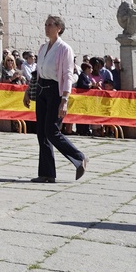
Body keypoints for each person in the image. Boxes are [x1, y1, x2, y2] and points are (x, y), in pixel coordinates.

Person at [33, 15, 87, 183]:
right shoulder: (43, 48)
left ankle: (79, 157)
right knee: (41, 133)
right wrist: (30, 91)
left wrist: (65, 98)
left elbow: (67, 74)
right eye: (45, 24)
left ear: (59, 28)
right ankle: (47, 173)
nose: (46, 27)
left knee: (52, 131)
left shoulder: (65, 49)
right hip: (42, 89)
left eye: (50, 25)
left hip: (55, 92)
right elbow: (38, 71)